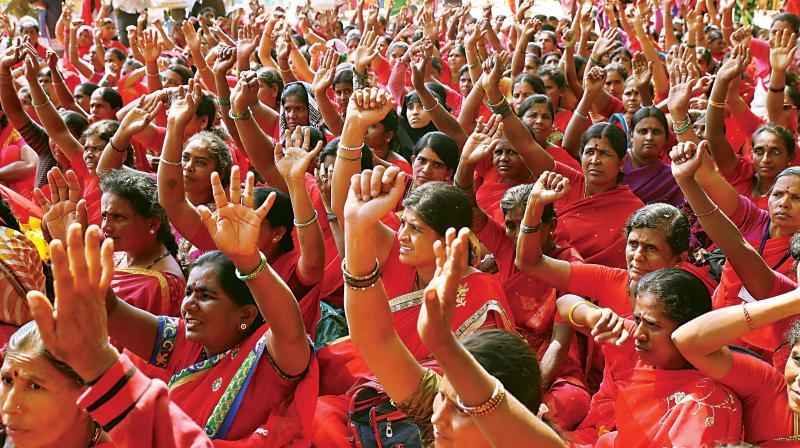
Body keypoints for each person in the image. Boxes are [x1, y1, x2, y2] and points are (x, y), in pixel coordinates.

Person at [103, 168, 318, 444]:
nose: (189, 304)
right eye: (189, 292)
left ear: (246, 314)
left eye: (205, 296)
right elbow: (110, 312)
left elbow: (290, 328)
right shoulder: (185, 342)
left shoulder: (271, 358)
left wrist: (248, 259)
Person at [515, 170, 713, 445]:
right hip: (606, 410)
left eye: (651, 249)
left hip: (659, 412)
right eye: (633, 244)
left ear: (679, 259)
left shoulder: (690, 298)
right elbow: (532, 266)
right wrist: (535, 205)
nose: (637, 256)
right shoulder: (612, 280)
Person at [344, 222, 566, 447]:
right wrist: (356, 227)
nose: (437, 418)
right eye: (441, 396)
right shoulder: (439, 430)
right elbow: (374, 339)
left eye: (462, 409)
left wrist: (444, 345)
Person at [559, 268, 743, 447]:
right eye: (637, 320)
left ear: (688, 329)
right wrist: (592, 314)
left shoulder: (707, 401)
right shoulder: (629, 342)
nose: (639, 333)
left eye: (652, 325)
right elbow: (564, 304)